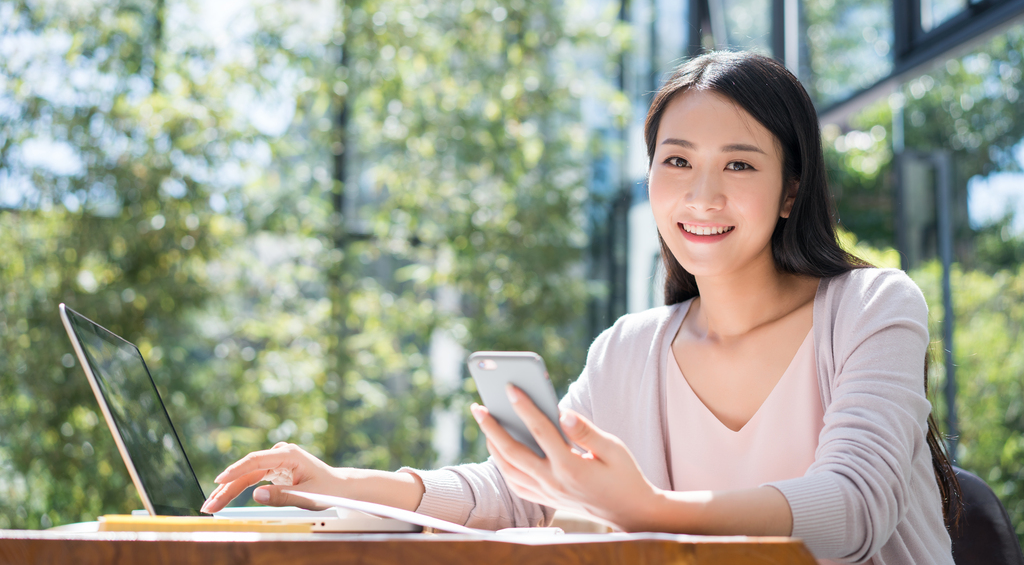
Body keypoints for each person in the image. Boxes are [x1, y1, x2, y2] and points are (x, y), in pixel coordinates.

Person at [201, 51, 958, 564]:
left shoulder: (871, 306)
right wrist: (341, 481)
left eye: (739, 163)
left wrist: (650, 508)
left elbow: (852, 508)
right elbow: (523, 492)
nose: (701, 195)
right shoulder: (629, 348)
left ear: (792, 188)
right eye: (677, 162)